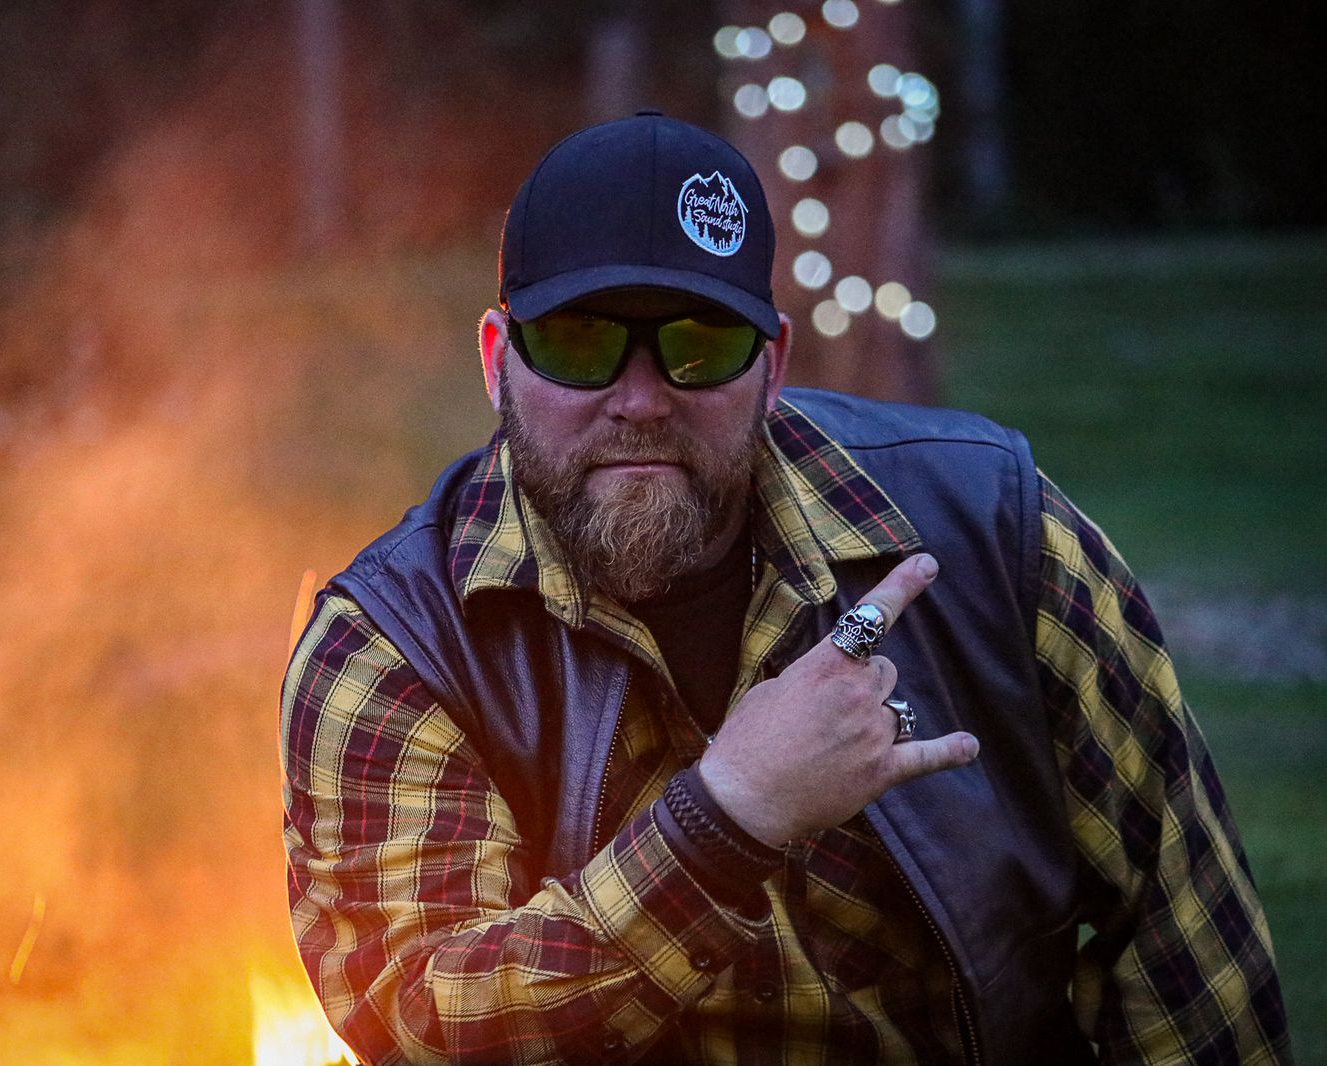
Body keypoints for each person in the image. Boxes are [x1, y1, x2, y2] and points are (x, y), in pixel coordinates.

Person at [280, 111, 1290, 1064]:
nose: (641, 399)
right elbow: (421, 1022)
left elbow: (1186, 955)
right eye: (582, 342)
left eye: (699, 345)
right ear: (498, 360)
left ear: (771, 367)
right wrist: (728, 817)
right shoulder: (393, 642)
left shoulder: (1001, 534)